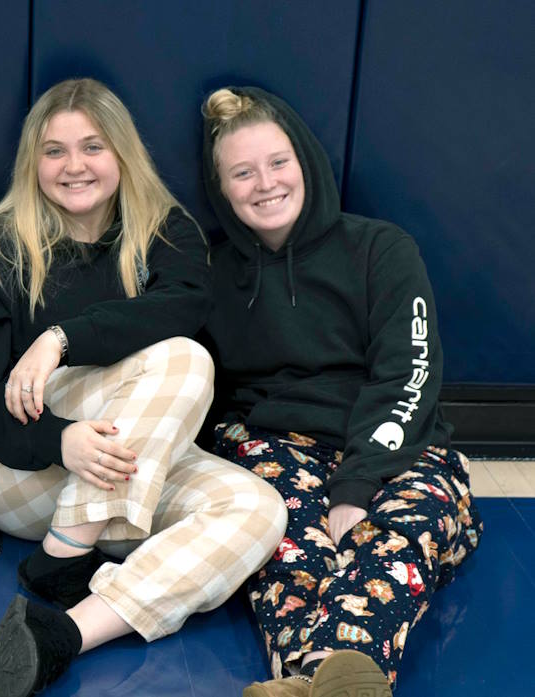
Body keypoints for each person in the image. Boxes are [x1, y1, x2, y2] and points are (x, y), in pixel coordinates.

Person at [0, 78, 287, 697]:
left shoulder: (165, 231)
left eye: (93, 147)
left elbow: (180, 307)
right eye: (54, 151)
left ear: (122, 154)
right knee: (186, 361)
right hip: (7, 460)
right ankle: (67, 553)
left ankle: (68, 631)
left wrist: (59, 339)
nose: (74, 166)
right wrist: (59, 438)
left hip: (118, 470)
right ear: (32, 162)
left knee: (259, 511)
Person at [199, 86, 482, 697]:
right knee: (281, 545)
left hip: (399, 448)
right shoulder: (211, 274)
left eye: (278, 163)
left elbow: (410, 373)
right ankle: (334, 684)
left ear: (306, 162)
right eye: (242, 173)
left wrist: (356, 488)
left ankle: (309, 681)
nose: (265, 184)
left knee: (399, 535)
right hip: (276, 445)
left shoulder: (381, 247)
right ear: (222, 189)